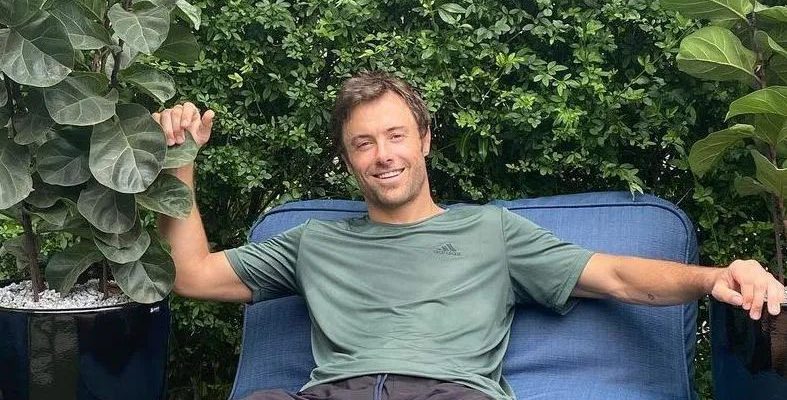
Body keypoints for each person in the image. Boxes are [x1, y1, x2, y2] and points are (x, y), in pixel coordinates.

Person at [155, 71, 786, 400]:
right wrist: (179, 159)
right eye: (363, 143)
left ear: (425, 141)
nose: (383, 155)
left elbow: (619, 276)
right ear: (348, 160)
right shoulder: (311, 242)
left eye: (396, 136)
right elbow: (191, 274)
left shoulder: (491, 232)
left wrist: (716, 277)